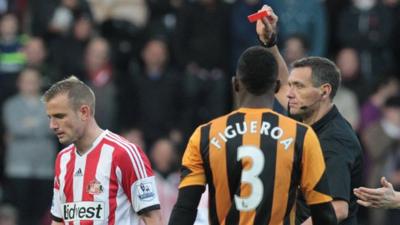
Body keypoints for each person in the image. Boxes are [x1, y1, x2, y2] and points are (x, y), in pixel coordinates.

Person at [168, 46, 337, 225]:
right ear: (278, 86)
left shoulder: (205, 135)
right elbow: (324, 215)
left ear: (235, 84)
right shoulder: (302, 135)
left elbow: (185, 209)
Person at [256, 5, 363, 225]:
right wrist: (269, 42)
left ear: (324, 91)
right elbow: (281, 85)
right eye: (292, 85)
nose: (291, 94)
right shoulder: (306, 113)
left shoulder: (335, 140)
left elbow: (338, 208)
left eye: (300, 87)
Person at [42, 76, 162, 225]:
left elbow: (153, 219)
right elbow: (58, 221)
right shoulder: (63, 159)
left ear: (84, 112)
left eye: (60, 116)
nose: (52, 125)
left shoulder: (124, 153)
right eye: (50, 117)